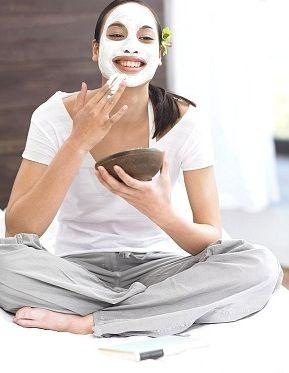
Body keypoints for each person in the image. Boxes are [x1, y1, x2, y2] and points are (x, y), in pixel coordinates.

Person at [0, 0, 283, 338]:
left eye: (146, 38)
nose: (131, 46)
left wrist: (160, 212)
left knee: (261, 266)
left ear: (159, 54)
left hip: (159, 267)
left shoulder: (187, 123)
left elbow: (210, 238)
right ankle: (153, 309)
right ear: (96, 49)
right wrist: (77, 142)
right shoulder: (53, 116)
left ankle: (91, 320)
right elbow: (18, 230)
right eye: (117, 35)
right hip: (74, 267)